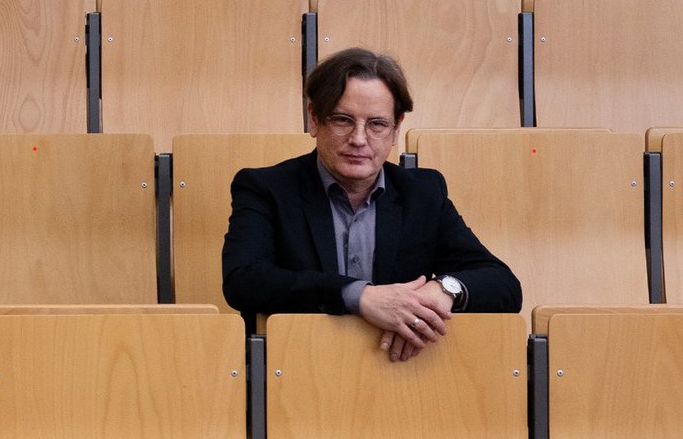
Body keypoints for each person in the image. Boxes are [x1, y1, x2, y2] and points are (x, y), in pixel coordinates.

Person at [222, 48, 522, 362]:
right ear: (314, 118)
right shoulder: (266, 188)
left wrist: (443, 290)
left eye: (377, 124)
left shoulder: (422, 194)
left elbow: (503, 286)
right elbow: (244, 280)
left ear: (396, 128)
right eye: (342, 120)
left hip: (398, 374)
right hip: (299, 366)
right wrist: (360, 296)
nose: (359, 139)